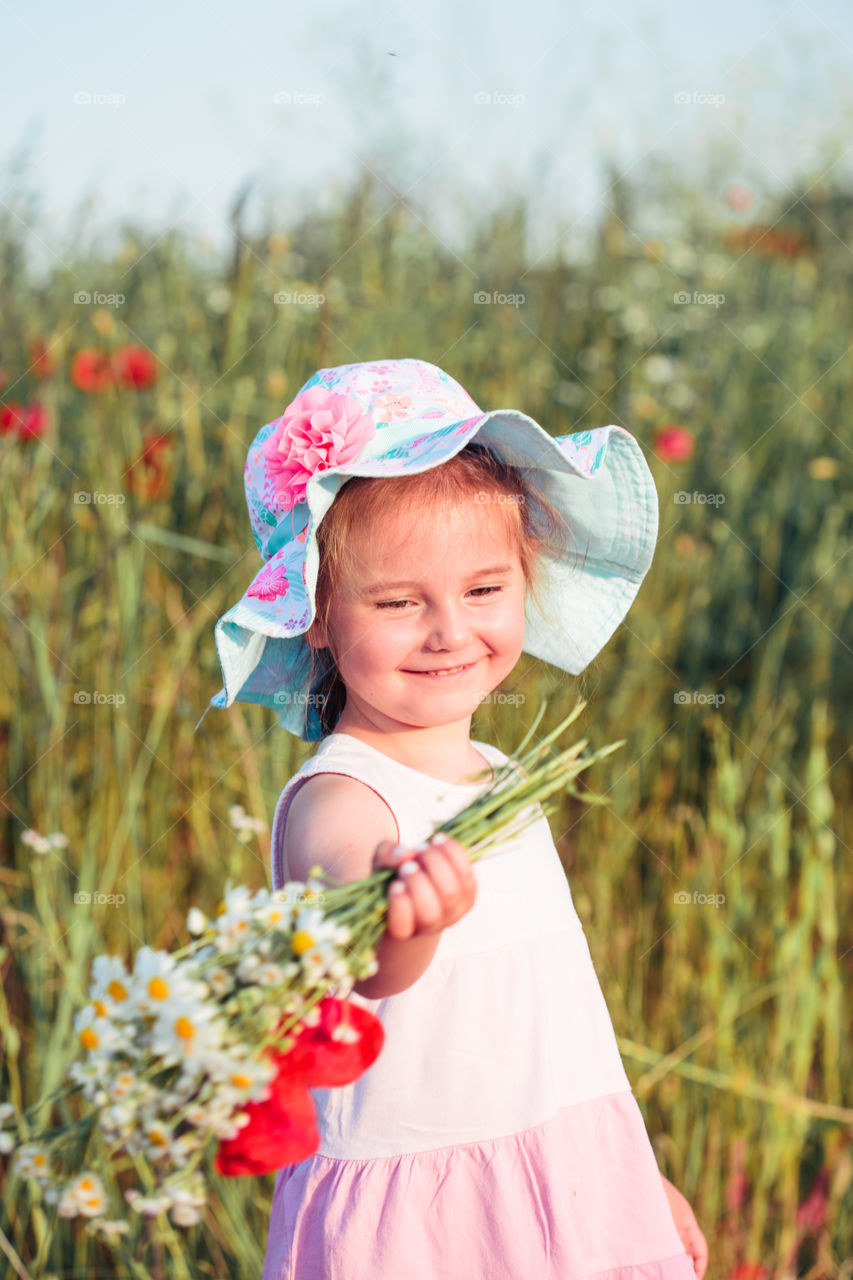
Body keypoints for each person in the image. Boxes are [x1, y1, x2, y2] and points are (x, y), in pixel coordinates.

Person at [199, 358, 709, 1279]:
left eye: (483, 591)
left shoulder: (500, 774)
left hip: (567, 1173)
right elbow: (365, 968)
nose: (449, 631)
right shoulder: (345, 800)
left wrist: (634, 1181)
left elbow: (557, 1020)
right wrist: (411, 922)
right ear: (316, 612)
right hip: (428, 1220)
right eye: (398, 603)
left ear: (524, 579)